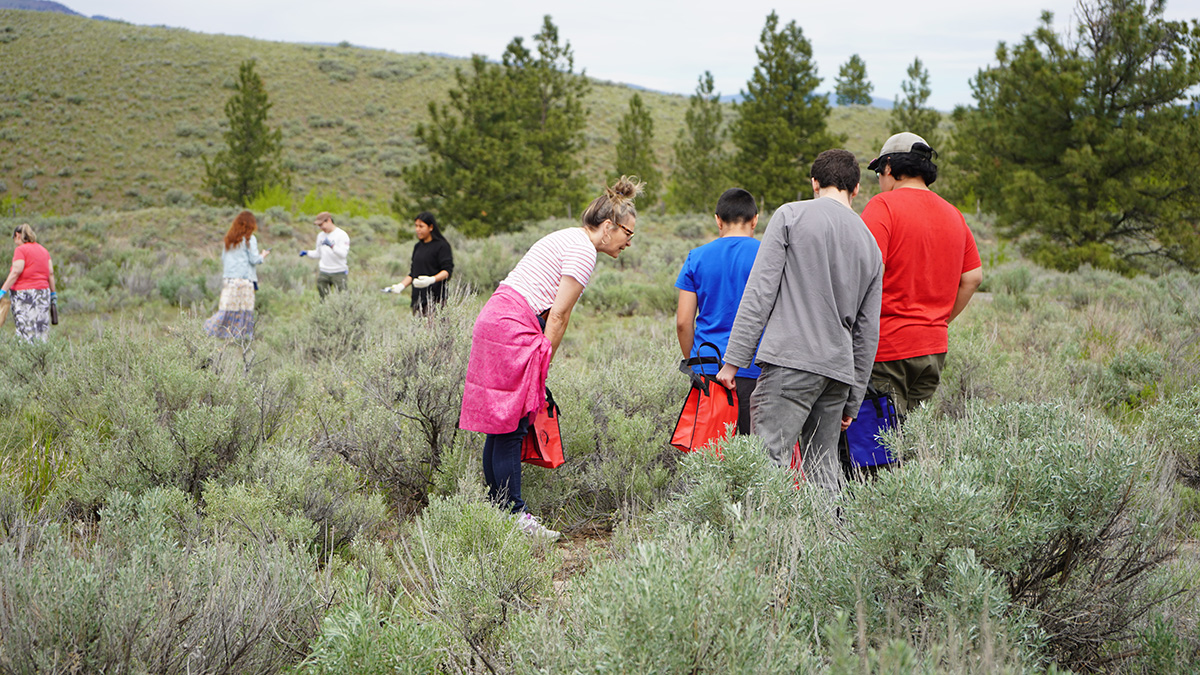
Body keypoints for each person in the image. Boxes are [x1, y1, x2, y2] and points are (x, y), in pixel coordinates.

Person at [459, 176, 644, 539]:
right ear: (608, 227)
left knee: (501, 426)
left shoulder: (567, 236)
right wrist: (542, 368)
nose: (628, 242)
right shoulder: (584, 251)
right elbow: (558, 315)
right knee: (514, 425)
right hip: (514, 325)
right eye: (627, 233)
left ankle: (498, 511)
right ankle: (515, 514)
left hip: (495, 318)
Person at [716, 150, 882, 497]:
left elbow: (760, 292)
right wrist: (853, 400)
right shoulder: (870, 245)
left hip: (789, 361)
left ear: (814, 183)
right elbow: (866, 334)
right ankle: (829, 546)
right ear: (856, 189)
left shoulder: (791, 215)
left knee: (767, 462)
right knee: (824, 470)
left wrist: (732, 363)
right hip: (837, 372)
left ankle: (766, 546)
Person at [862, 132, 982, 419]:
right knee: (913, 442)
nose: (880, 179)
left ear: (889, 167)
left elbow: (865, 270)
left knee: (877, 448)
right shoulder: (954, 213)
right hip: (933, 349)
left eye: (879, 171)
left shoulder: (883, 206)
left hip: (887, 349)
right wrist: (939, 320)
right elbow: (973, 276)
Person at [675, 188, 761, 434]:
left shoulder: (696, 257)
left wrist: (696, 363)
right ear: (755, 219)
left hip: (709, 368)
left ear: (718, 220)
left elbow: (683, 322)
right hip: (756, 368)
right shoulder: (768, 255)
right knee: (757, 456)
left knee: (710, 454)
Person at [203, 210, 269, 339]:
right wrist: (263, 255)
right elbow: (254, 259)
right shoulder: (249, 239)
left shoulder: (229, 238)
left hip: (229, 279)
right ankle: (211, 330)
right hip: (244, 280)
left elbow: (223, 258)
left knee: (227, 309)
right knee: (244, 311)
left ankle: (220, 334)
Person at [382, 211, 455, 315]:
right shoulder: (418, 247)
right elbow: (413, 273)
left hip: (436, 299)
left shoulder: (442, 246)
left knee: (434, 329)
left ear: (431, 227)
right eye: (416, 226)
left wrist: (432, 279)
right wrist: (400, 286)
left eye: (421, 226)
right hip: (418, 299)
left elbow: (447, 271)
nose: (417, 229)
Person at [1, 223, 56, 342]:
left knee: (25, 330)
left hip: (24, 295)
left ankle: (26, 358)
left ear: (17, 235)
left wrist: (2, 291)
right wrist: (53, 294)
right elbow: (50, 273)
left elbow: (16, 271)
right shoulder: (43, 250)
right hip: (43, 294)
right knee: (41, 330)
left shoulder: (20, 250)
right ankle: (40, 357)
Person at [299, 212, 350, 299]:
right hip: (324, 272)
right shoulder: (321, 236)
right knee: (323, 299)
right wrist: (307, 253)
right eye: (319, 226)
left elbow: (343, 254)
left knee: (343, 299)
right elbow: (318, 253)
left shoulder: (342, 235)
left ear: (329, 221)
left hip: (339, 272)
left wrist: (332, 246)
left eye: (322, 225)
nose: (321, 228)